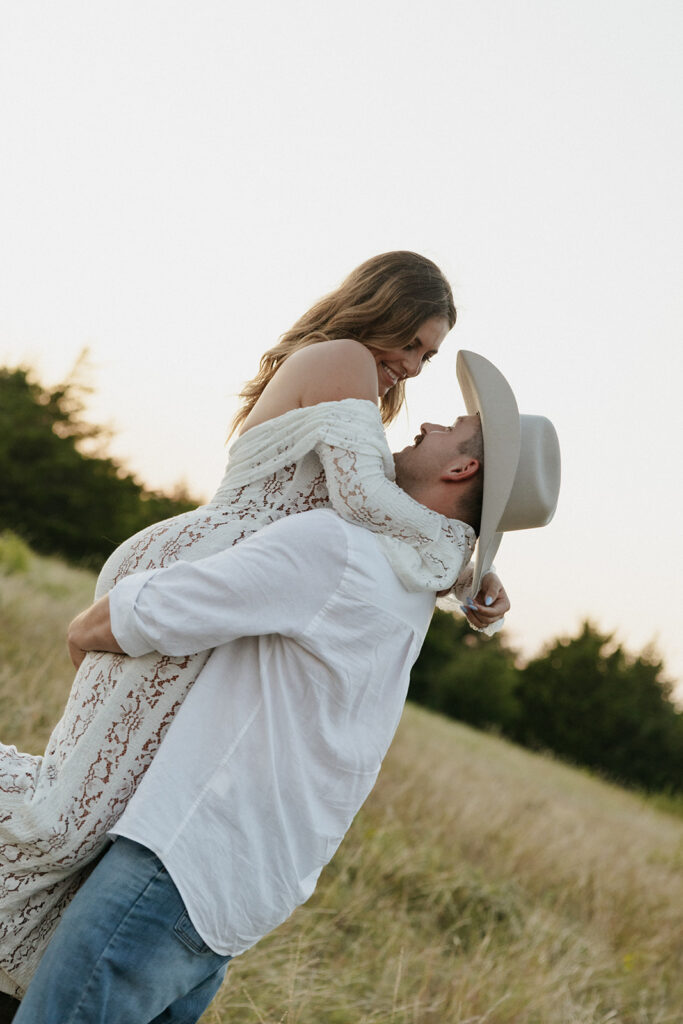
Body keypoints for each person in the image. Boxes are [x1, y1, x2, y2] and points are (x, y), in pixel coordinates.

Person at [0, 253, 510, 1001]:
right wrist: (464, 562)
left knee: (101, 811)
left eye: (425, 357)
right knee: (71, 814)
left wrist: (466, 568)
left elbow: (367, 538)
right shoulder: (341, 362)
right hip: (194, 580)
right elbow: (367, 504)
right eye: (414, 345)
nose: (413, 368)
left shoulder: (366, 394)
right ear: (384, 310)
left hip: (219, 610)